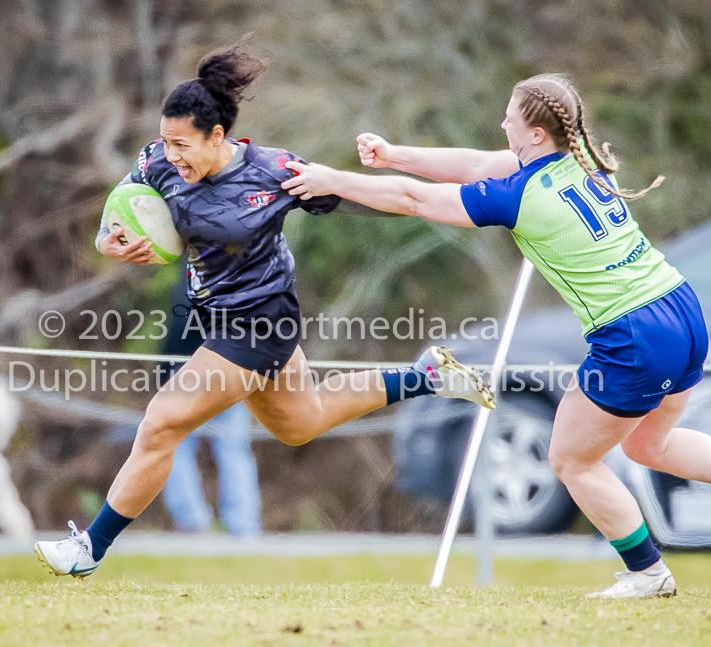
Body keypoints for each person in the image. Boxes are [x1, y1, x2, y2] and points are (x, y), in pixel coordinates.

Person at [282, 73, 711, 598]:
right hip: (679, 306)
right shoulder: (575, 164)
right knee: (654, 443)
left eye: (509, 118)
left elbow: (417, 201)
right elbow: (471, 163)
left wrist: (335, 180)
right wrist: (395, 153)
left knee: (571, 459)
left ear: (536, 134)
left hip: (633, 331)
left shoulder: (519, 194)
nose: (502, 124)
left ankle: (648, 573)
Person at [34, 36, 493, 578]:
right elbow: (119, 216)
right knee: (302, 422)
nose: (170, 153)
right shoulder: (158, 162)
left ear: (217, 136)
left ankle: (90, 549)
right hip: (219, 320)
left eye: (183, 144)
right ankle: (427, 377)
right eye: (165, 141)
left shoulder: (272, 172)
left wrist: (460, 199)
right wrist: (108, 243)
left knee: (160, 424)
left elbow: (368, 198)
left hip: (261, 321)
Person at [160, 269, 262, 537]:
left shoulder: (198, 276)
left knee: (181, 446)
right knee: (230, 447)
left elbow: (180, 329)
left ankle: (198, 521)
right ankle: (239, 523)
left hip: (200, 371)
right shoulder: (238, 273)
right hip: (221, 369)